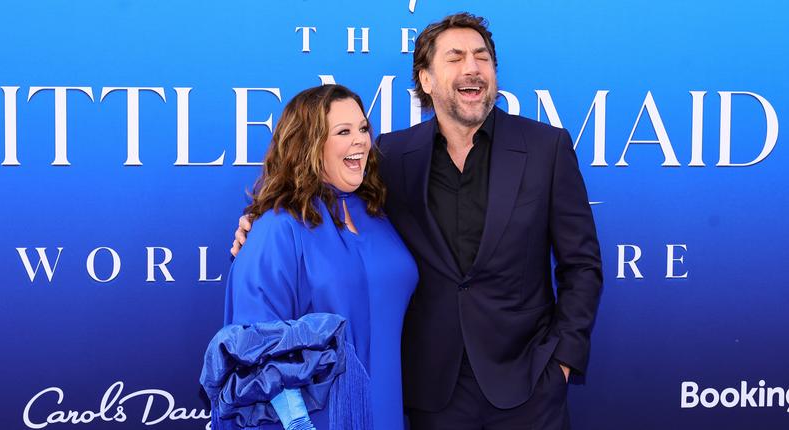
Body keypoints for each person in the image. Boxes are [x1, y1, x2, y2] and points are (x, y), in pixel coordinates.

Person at [232, 13, 602, 430]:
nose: (472, 68)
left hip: (529, 386)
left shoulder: (545, 147)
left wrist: (563, 362)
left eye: (482, 57)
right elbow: (319, 192)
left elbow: (582, 264)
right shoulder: (393, 157)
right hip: (430, 395)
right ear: (425, 80)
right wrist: (258, 223)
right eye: (456, 57)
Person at [202, 84, 418, 430]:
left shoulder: (378, 215)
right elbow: (255, 351)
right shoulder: (277, 227)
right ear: (309, 144)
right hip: (315, 420)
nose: (361, 140)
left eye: (363, 128)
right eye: (343, 131)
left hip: (388, 412)